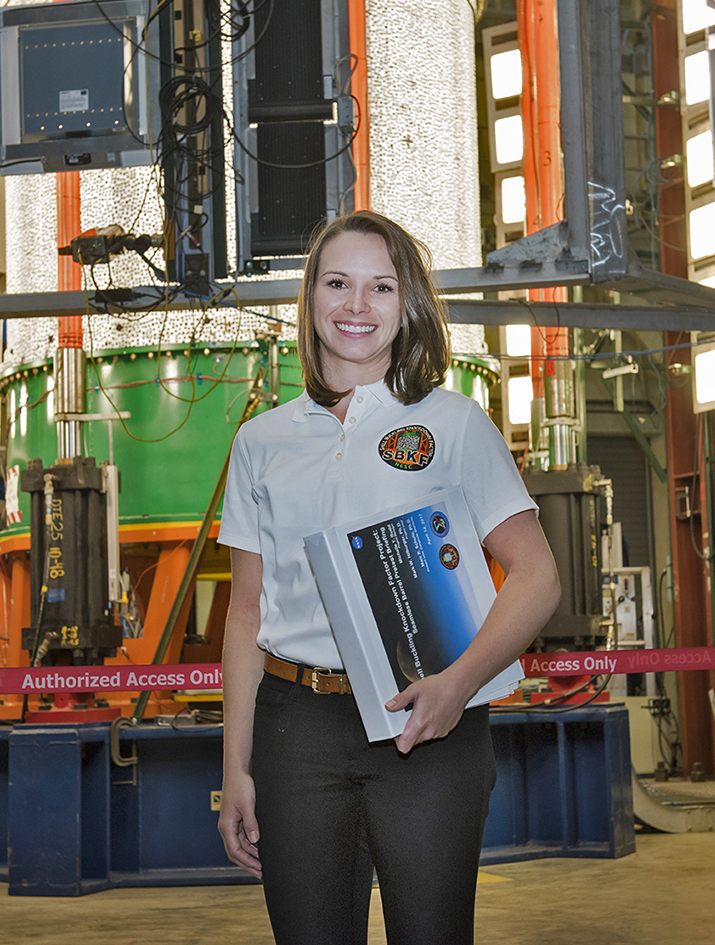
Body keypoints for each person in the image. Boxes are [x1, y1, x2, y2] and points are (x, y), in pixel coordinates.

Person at [216, 210, 561, 945]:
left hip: (427, 723)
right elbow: (246, 612)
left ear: (407, 308)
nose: (355, 306)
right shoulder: (260, 442)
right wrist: (236, 768)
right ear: (309, 299)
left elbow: (536, 576)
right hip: (295, 725)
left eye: (380, 287)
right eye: (337, 283)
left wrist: (458, 683)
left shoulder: (455, 423)